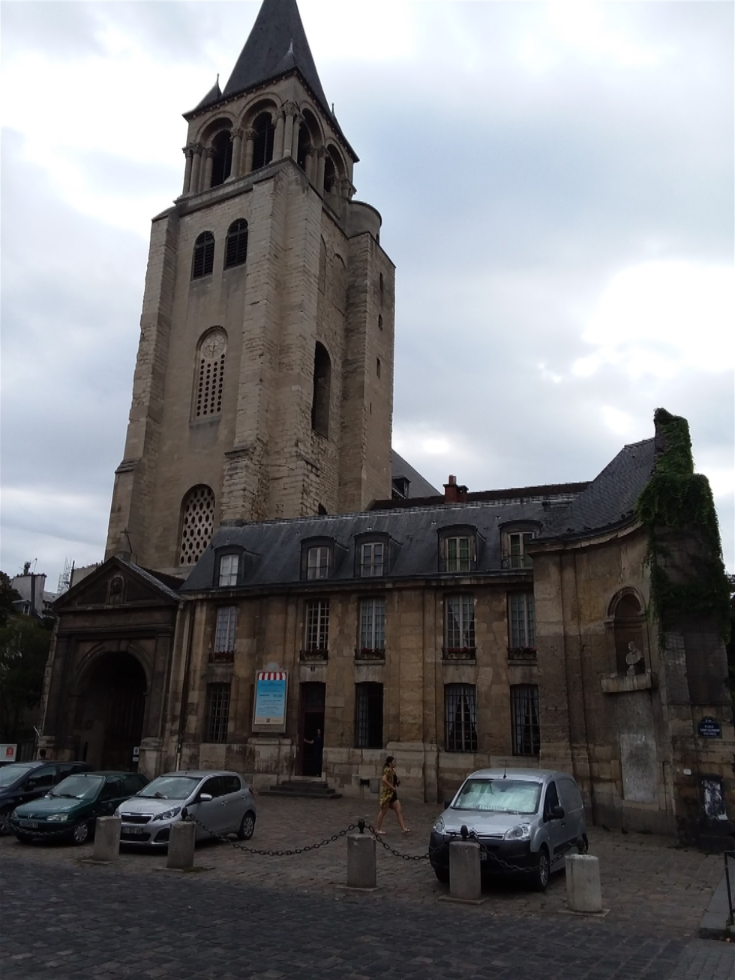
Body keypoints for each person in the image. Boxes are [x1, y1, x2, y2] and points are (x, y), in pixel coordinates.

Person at [374, 755, 410, 834]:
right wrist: (392, 787)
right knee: (383, 812)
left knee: (399, 811)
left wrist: (396, 783)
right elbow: (384, 779)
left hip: (393, 795)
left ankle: (403, 828)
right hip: (387, 795)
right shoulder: (388, 770)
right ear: (390, 763)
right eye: (393, 762)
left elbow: (392, 780)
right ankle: (377, 829)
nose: (395, 763)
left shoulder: (392, 770)